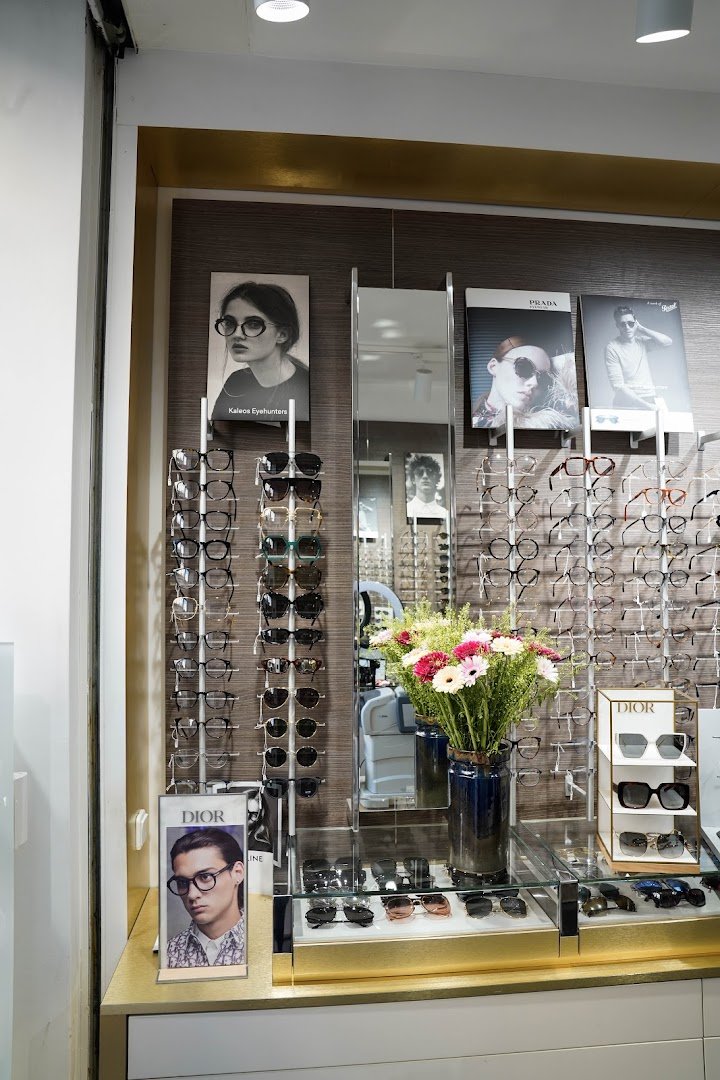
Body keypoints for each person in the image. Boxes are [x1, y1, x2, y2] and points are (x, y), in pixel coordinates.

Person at [211, 281, 309, 422]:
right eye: (229, 323)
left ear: (282, 334)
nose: (236, 334)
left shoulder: (305, 386)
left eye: (253, 324)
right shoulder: (236, 381)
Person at [166, 827, 245, 968]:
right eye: (182, 882)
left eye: (205, 877)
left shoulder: (261, 941)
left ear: (237, 873)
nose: (192, 894)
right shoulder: (169, 954)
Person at [472, 336, 576, 429]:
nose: (535, 383)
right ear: (493, 367)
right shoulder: (472, 424)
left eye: (543, 378)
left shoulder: (549, 422)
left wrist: (556, 364)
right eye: (524, 368)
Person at [604, 305, 672, 410]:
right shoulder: (612, 348)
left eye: (630, 323)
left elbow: (667, 342)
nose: (627, 327)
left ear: (635, 323)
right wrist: (647, 406)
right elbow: (618, 386)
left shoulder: (641, 342)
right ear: (617, 325)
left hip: (649, 397)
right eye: (623, 324)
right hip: (627, 401)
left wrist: (641, 328)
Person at [405, 455, 448, 520]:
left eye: (430, 472)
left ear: (436, 478)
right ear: (413, 479)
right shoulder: (406, 511)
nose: (425, 476)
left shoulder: (445, 514)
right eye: (419, 472)